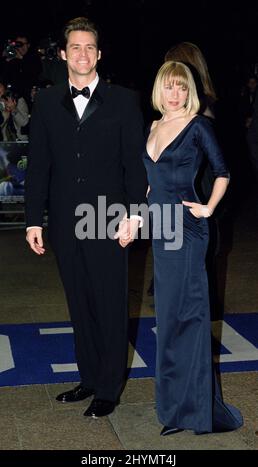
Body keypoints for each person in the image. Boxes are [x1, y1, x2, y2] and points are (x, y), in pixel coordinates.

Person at [25, 17, 147, 418]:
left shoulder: (125, 100)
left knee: (110, 305)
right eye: (74, 47)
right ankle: (90, 378)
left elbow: (135, 165)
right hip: (63, 220)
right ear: (63, 55)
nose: (82, 54)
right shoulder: (45, 101)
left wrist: (135, 215)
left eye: (89, 47)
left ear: (99, 53)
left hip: (109, 219)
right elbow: (39, 165)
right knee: (79, 304)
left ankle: (109, 388)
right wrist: (33, 220)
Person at [143, 60, 243, 435]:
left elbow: (223, 171)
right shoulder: (153, 126)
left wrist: (208, 207)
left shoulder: (199, 126)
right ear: (160, 89)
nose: (175, 94)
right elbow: (152, 186)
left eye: (181, 87)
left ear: (190, 92)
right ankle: (173, 407)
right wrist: (137, 218)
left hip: (187, 231)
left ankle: (193, 410)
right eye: (169, 86)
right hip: (162, 232)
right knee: (167, 320)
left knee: (188, 319)